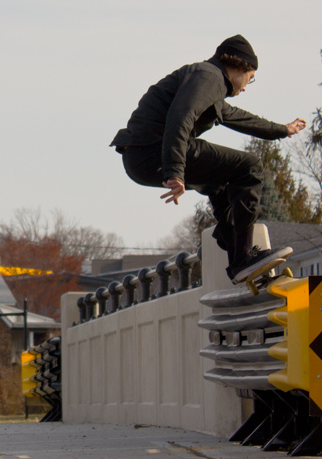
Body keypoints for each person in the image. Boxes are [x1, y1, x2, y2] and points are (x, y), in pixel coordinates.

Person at [110, 34, 306, 283]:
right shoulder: (209, 77)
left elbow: (239, 118)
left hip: (140, 155)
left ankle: (236, 252)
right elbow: (180, 118)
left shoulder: (206, 82)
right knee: (250, 167)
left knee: (222, 183)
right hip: (152, 150)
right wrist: (175, 171)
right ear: (239, 68)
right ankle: (242, 257)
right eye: (250, 79)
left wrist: (282, 129)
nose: (245, 87)